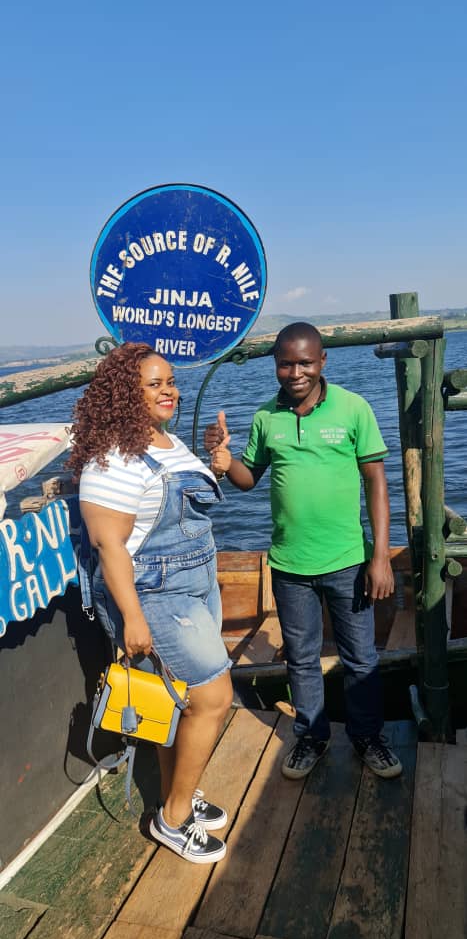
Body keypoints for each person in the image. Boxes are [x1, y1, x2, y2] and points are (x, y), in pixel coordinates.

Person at [205, 322, 402, 780]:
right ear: (276, 365)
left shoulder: (353, 408)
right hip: (289, 565)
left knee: (361, 658)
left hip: (348, 562)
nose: (296, 373)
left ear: (322, 361)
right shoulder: (265, 417)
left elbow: (376, 482)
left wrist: (379, 558)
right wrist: (225, 462)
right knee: (301, 658)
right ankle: (311, 738)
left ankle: (368, 737)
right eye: (286, 364)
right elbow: (249, 478)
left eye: (305, 363)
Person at [67, 341, 233, 863]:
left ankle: (174, 792)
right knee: (213, 698)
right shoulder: (112, 459)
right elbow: (108, 545)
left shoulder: (165, 441)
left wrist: (215, 464)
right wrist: (133, 618)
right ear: (124, 393)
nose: (169, 391)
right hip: (154, 592)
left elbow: (174, 504)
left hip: (196, 580)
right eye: (154, 384)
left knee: (177, 697)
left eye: (171, 382)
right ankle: (173, 819)